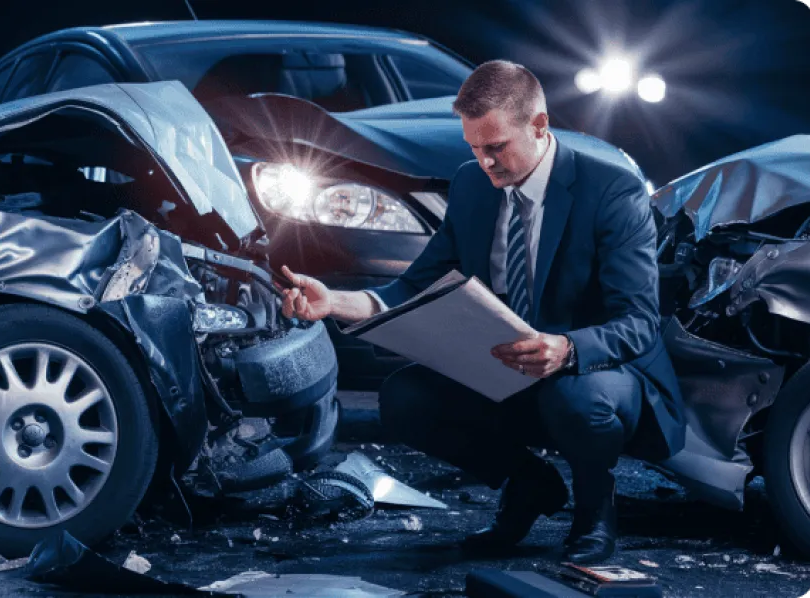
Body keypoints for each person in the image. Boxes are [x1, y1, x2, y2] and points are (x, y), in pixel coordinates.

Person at [277, 60, 685, 564]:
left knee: (574, 398)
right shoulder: (472, 185)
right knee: (405, 396)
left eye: (496, 147)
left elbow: (640, 322)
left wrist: (566, 349)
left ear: (538, 127)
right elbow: (416, 284)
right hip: (509, 365)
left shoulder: (611, 191)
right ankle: (529, 483)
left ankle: (595, 510)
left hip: (597, 370)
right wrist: (335, 302)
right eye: (474, 147)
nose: (485, 162)